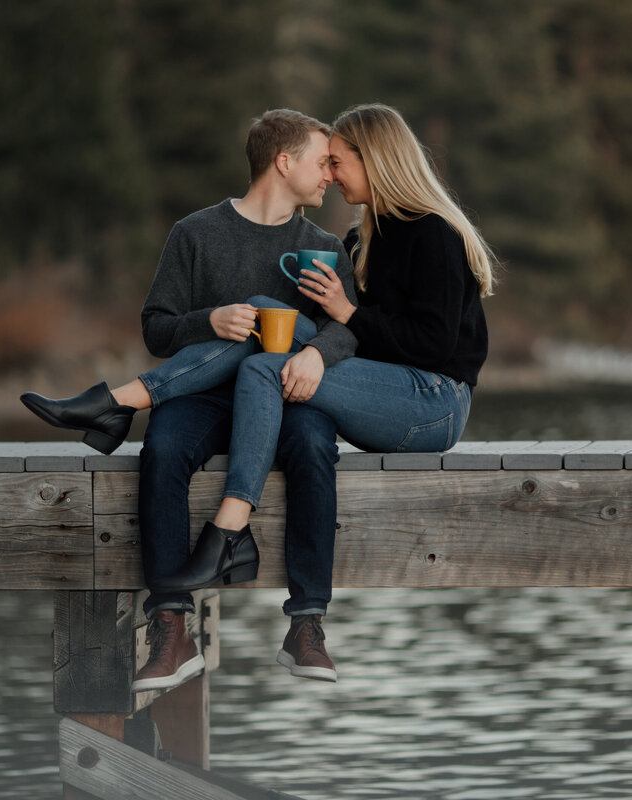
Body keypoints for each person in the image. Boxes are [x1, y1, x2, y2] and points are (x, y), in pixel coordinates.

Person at [20, 109, 359, 689]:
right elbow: (155, 328)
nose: (329, 173)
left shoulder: (324, 246)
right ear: (283, 162)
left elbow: (349, 331)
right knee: (165, 444)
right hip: (201, 395)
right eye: (320, 161)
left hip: (287, 399)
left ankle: (307, 625)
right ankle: (171, 630)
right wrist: (210, 320)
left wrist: (316, 354)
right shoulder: (195, 233)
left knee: (313, 444)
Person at [157, 103, 495, 679]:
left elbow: (434, 345)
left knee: (267, 368)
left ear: (376, 159)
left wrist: (342, 316)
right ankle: (214, 564)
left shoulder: (432, 233)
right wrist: (325, 335)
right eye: (326, 163)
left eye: (339, 163)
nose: (332, 175)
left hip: (435, 402)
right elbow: (370, 345)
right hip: (390, 390)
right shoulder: (367, 237)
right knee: (268, 318)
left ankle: (229, 528)